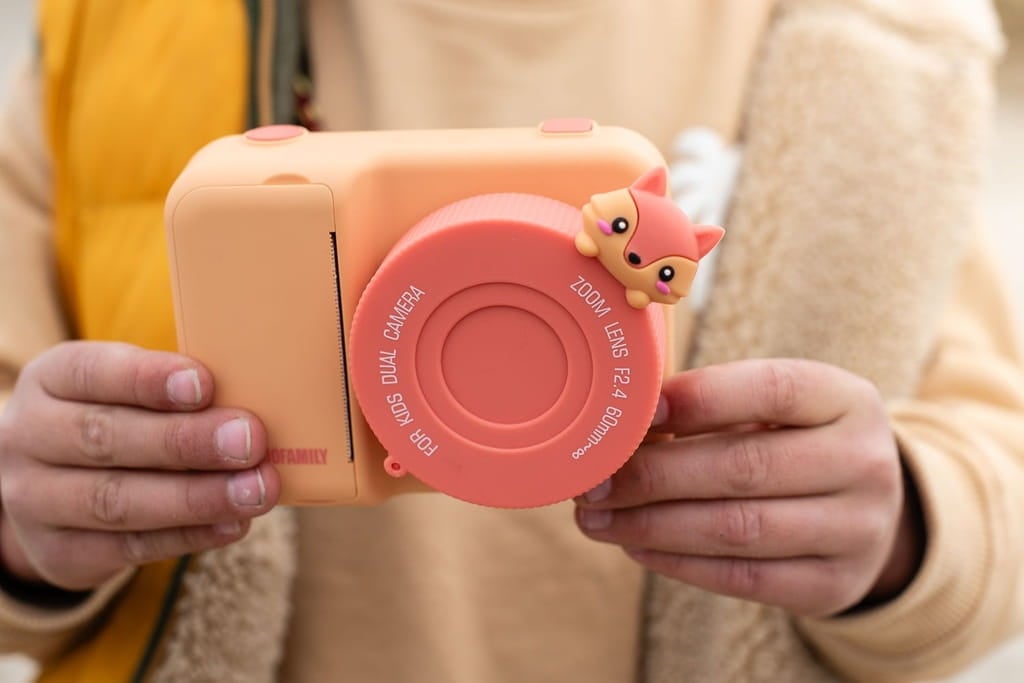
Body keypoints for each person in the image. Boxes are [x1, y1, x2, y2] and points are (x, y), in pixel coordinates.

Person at [0, 0, 1021, 681]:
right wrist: (31, 522)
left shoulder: (877, 51)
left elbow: (998, 466)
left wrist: (903, 525)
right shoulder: (129, 33)